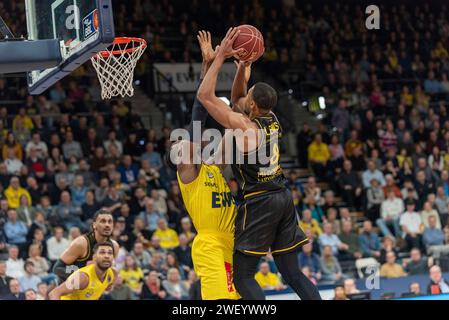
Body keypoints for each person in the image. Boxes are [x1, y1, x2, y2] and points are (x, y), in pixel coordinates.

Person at [197, 27, 320, 300]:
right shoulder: (271, 117)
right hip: (283, 196)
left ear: (252, 106)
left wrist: (219, 58)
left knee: (242, 277)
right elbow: (239, 97)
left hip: (261, 202)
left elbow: (205, 97)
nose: (244, 97)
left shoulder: (243, 125)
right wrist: (242, 66)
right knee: (293, 275)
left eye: (248, 97)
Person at [167, 31, 239, 300]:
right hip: (210, 245)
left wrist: (237, 65)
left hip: (233, 243)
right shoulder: (189, 173)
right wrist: (219, 59)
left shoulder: (214, 166)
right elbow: (197, 121)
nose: (183, 142)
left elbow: (232, 126)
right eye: (179, 144)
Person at [52, 208, 120, 283]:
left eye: (110, 222)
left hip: (92, 290)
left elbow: (109, 271)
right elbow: (57, 268)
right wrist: (83, 272)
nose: (107, 225)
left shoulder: (114, 246)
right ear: (94, 225)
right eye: (103, 221)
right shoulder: (81, 243)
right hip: (70, 289)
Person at [49, 242, 116, 300]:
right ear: (94, 257)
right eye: (102, 252)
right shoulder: (82, 277)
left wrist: (109, 286)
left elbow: (107, 285)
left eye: (110, 253)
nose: (107, 256)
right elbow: (54, 293)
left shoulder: (111, 274)